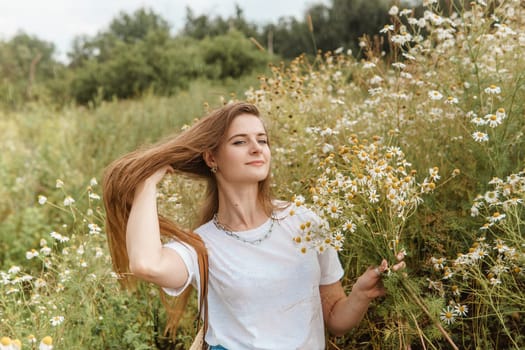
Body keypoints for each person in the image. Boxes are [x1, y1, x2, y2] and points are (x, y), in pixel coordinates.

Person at [103, 101, 405, 350]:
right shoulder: (201, 246)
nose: (256, 148)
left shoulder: (305, 222)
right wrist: (146, 183)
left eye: (262, 140)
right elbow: (145, 264)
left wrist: (361, 295)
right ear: (212, 158)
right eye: (239, 142)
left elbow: (334, 320)